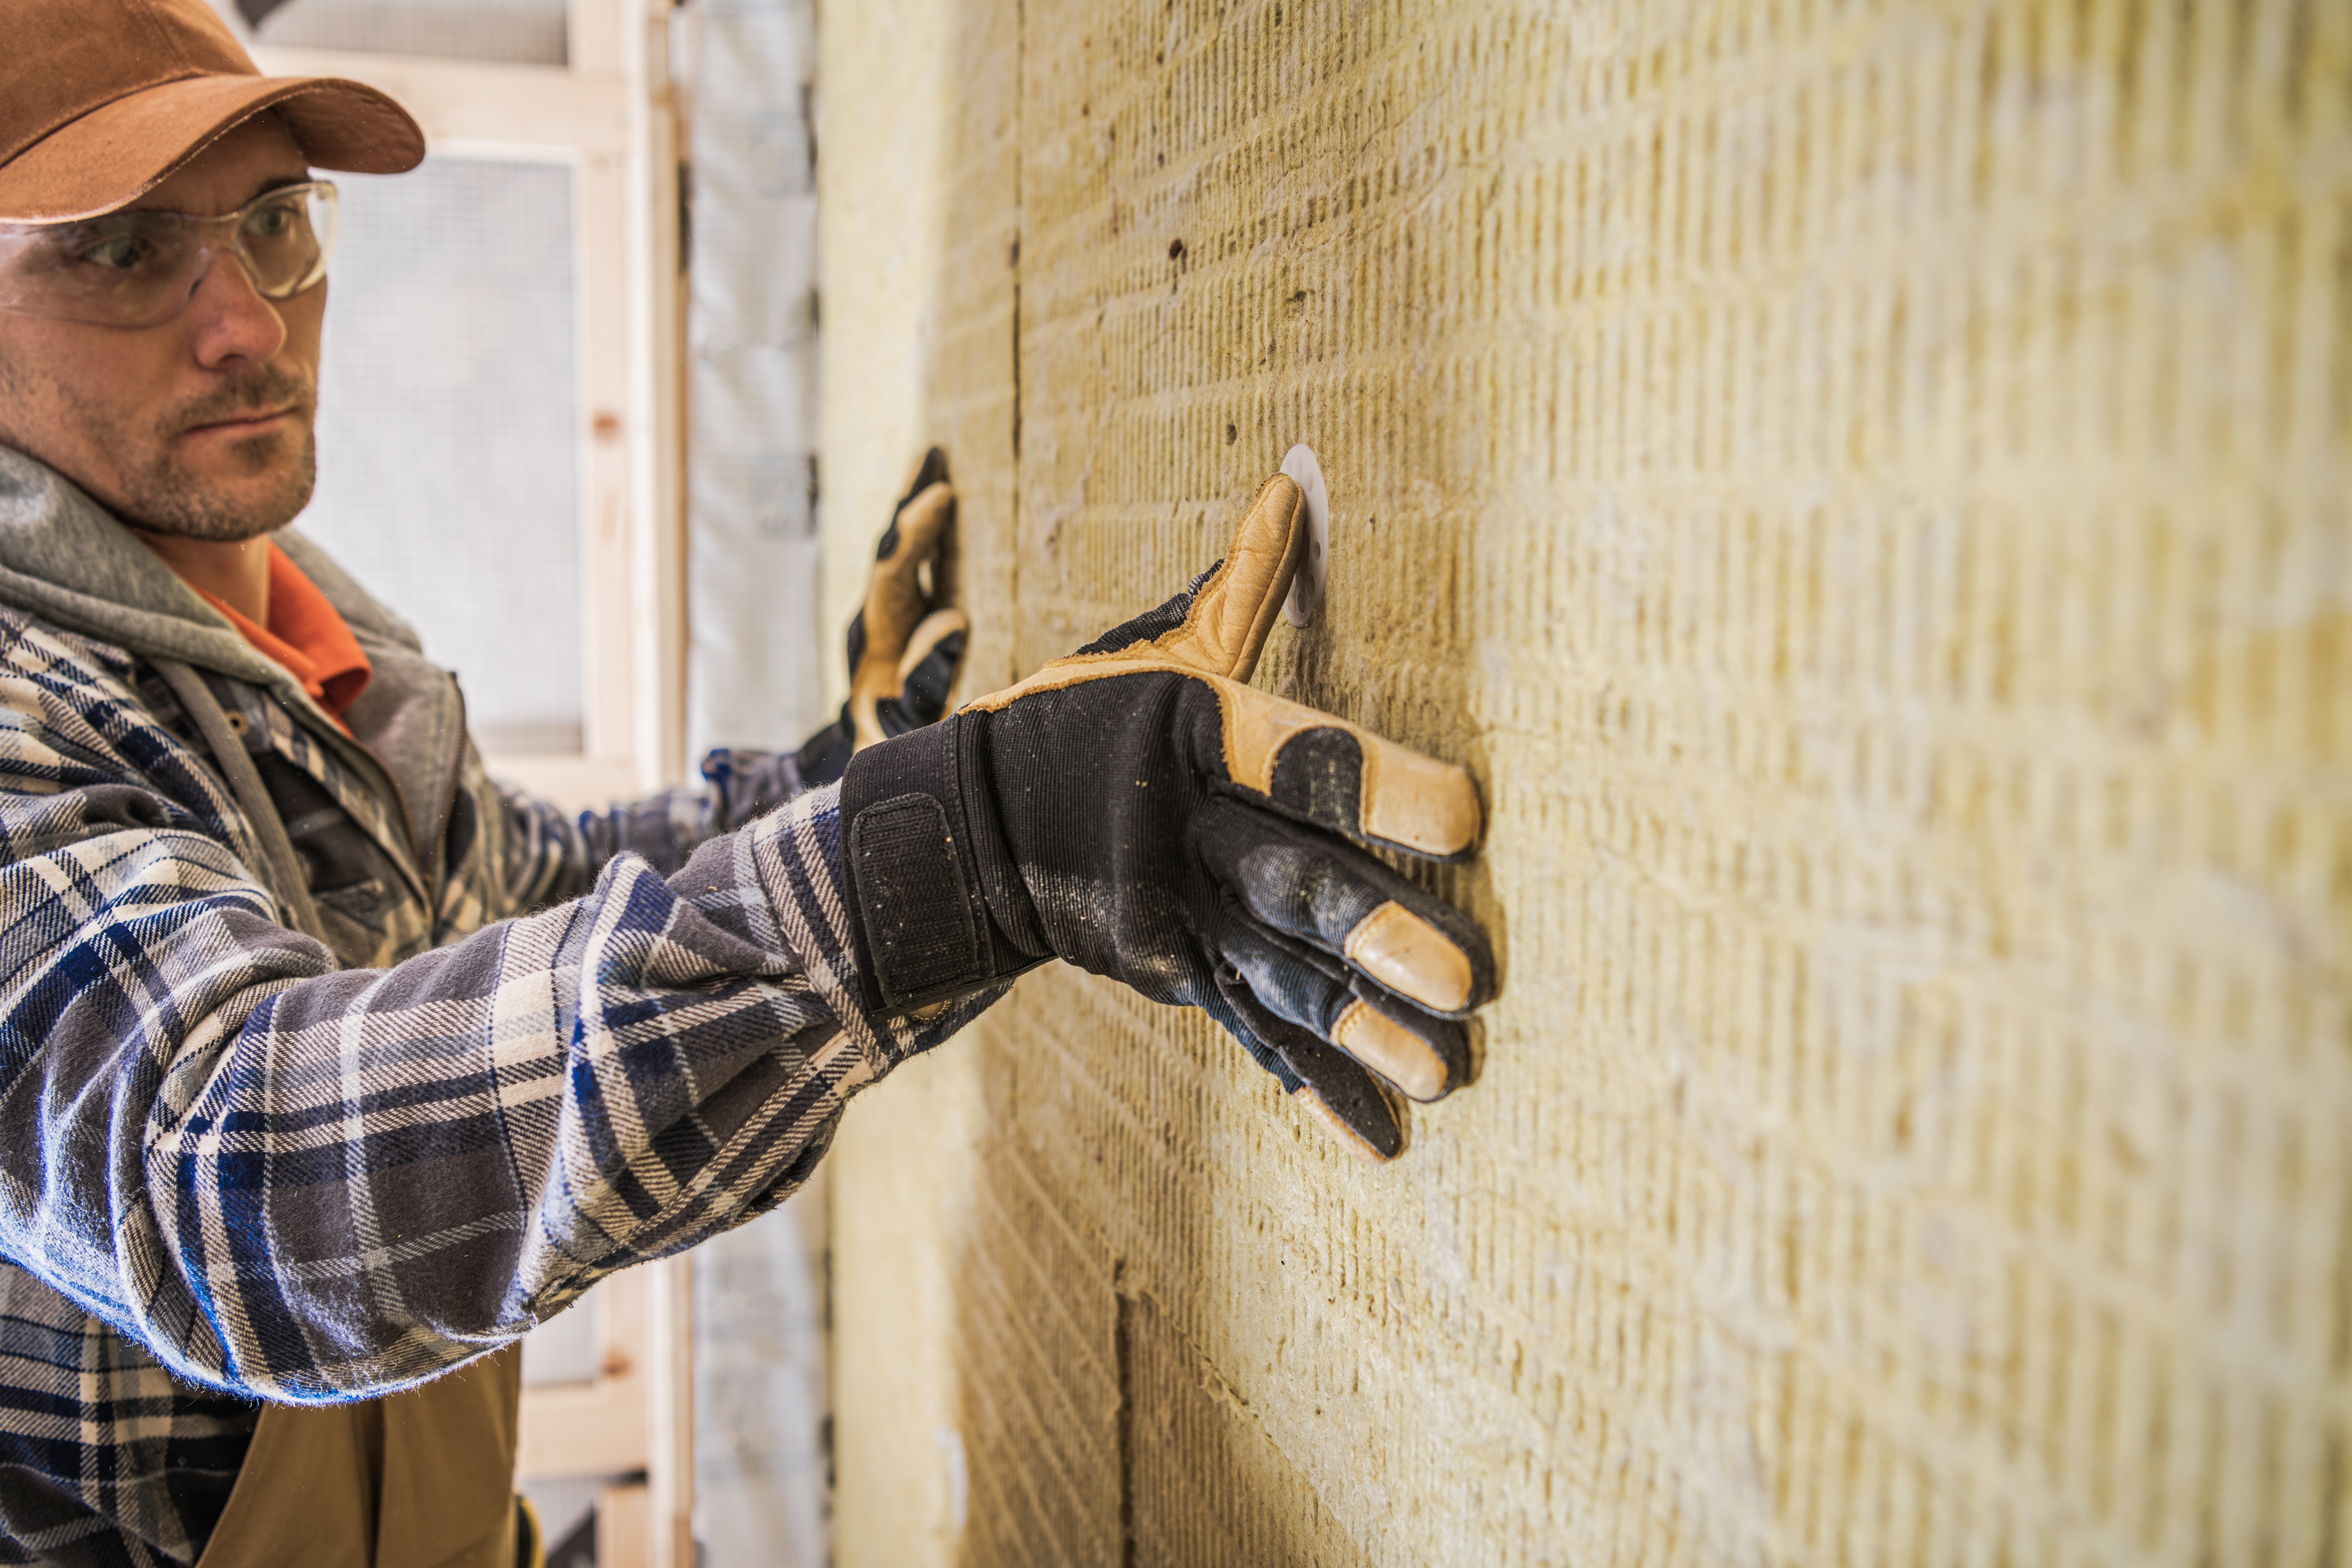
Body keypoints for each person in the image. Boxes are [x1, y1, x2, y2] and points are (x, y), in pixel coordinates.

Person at [0, 2, 1497, 1564]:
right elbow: (235, 1174)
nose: (244, 318)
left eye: (274, 219)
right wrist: (951, 850)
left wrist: (868, 772)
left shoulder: (298, 643)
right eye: (115, 247)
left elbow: (520, 890)